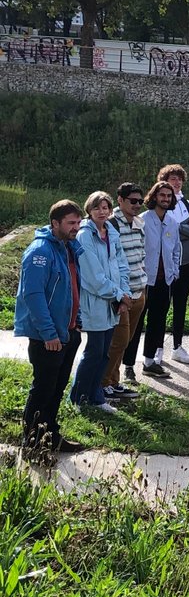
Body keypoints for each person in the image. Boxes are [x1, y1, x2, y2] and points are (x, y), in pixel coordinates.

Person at [15, 199, 86, 455]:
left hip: (68, 333)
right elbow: (33, 296)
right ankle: (32, 444)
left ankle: (50, 436)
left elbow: (71, 290)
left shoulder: (68, 247)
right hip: (49, 337)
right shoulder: (40, 252)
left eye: (78, 222)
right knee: (43, 390)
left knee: (56, 389)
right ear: (54, 223)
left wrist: (76, 324)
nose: (76, 227)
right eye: (71, 223)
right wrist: (49, 334)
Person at [71, 191, 132, 412]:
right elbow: (92, 277)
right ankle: (78, 397)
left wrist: (124, 293)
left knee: (105, 352)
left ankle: (96, 397)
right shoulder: (85, 235)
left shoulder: (111, 231)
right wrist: (118, 295)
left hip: (113, 301)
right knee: (94, 352)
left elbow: (122, 265)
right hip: (94, 302)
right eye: (97, 208)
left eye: (105, 207)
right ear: (89, 210)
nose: (102, 211)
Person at [157, 164, 189, 366]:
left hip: (185, 263)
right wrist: (186, 229)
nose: (176, 183)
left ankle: (177, 347)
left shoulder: (187, 203)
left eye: (179, 179)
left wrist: (176, 228)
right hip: (163, 264)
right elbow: (160, 230)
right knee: (160, 307)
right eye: (172, 179)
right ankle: (157, 348)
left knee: (180, 305)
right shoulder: (159, 203)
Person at [104, 183, 147, 398]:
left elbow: (141, 255)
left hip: (140, 291)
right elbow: (109, 261)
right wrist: (121, 293)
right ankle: (103, 384)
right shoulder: (111, 224)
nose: (137, 205)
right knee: (118, 341)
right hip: (122, 294)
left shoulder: (139, 223)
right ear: (120, 200)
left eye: (140, 201)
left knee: (125, 341)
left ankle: (114, 381)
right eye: (133, 201)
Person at [141, 180, 182, 378]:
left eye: (169, 196)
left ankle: (149, 362)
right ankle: (129, 364)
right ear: (154, 197)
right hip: (144, 281)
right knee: (137, 323)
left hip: (164, 281)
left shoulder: (172, 222)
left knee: (157, 322)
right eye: (162, 195)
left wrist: (173, 272)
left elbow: (176, 250)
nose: (165, 199)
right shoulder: (142, 220)